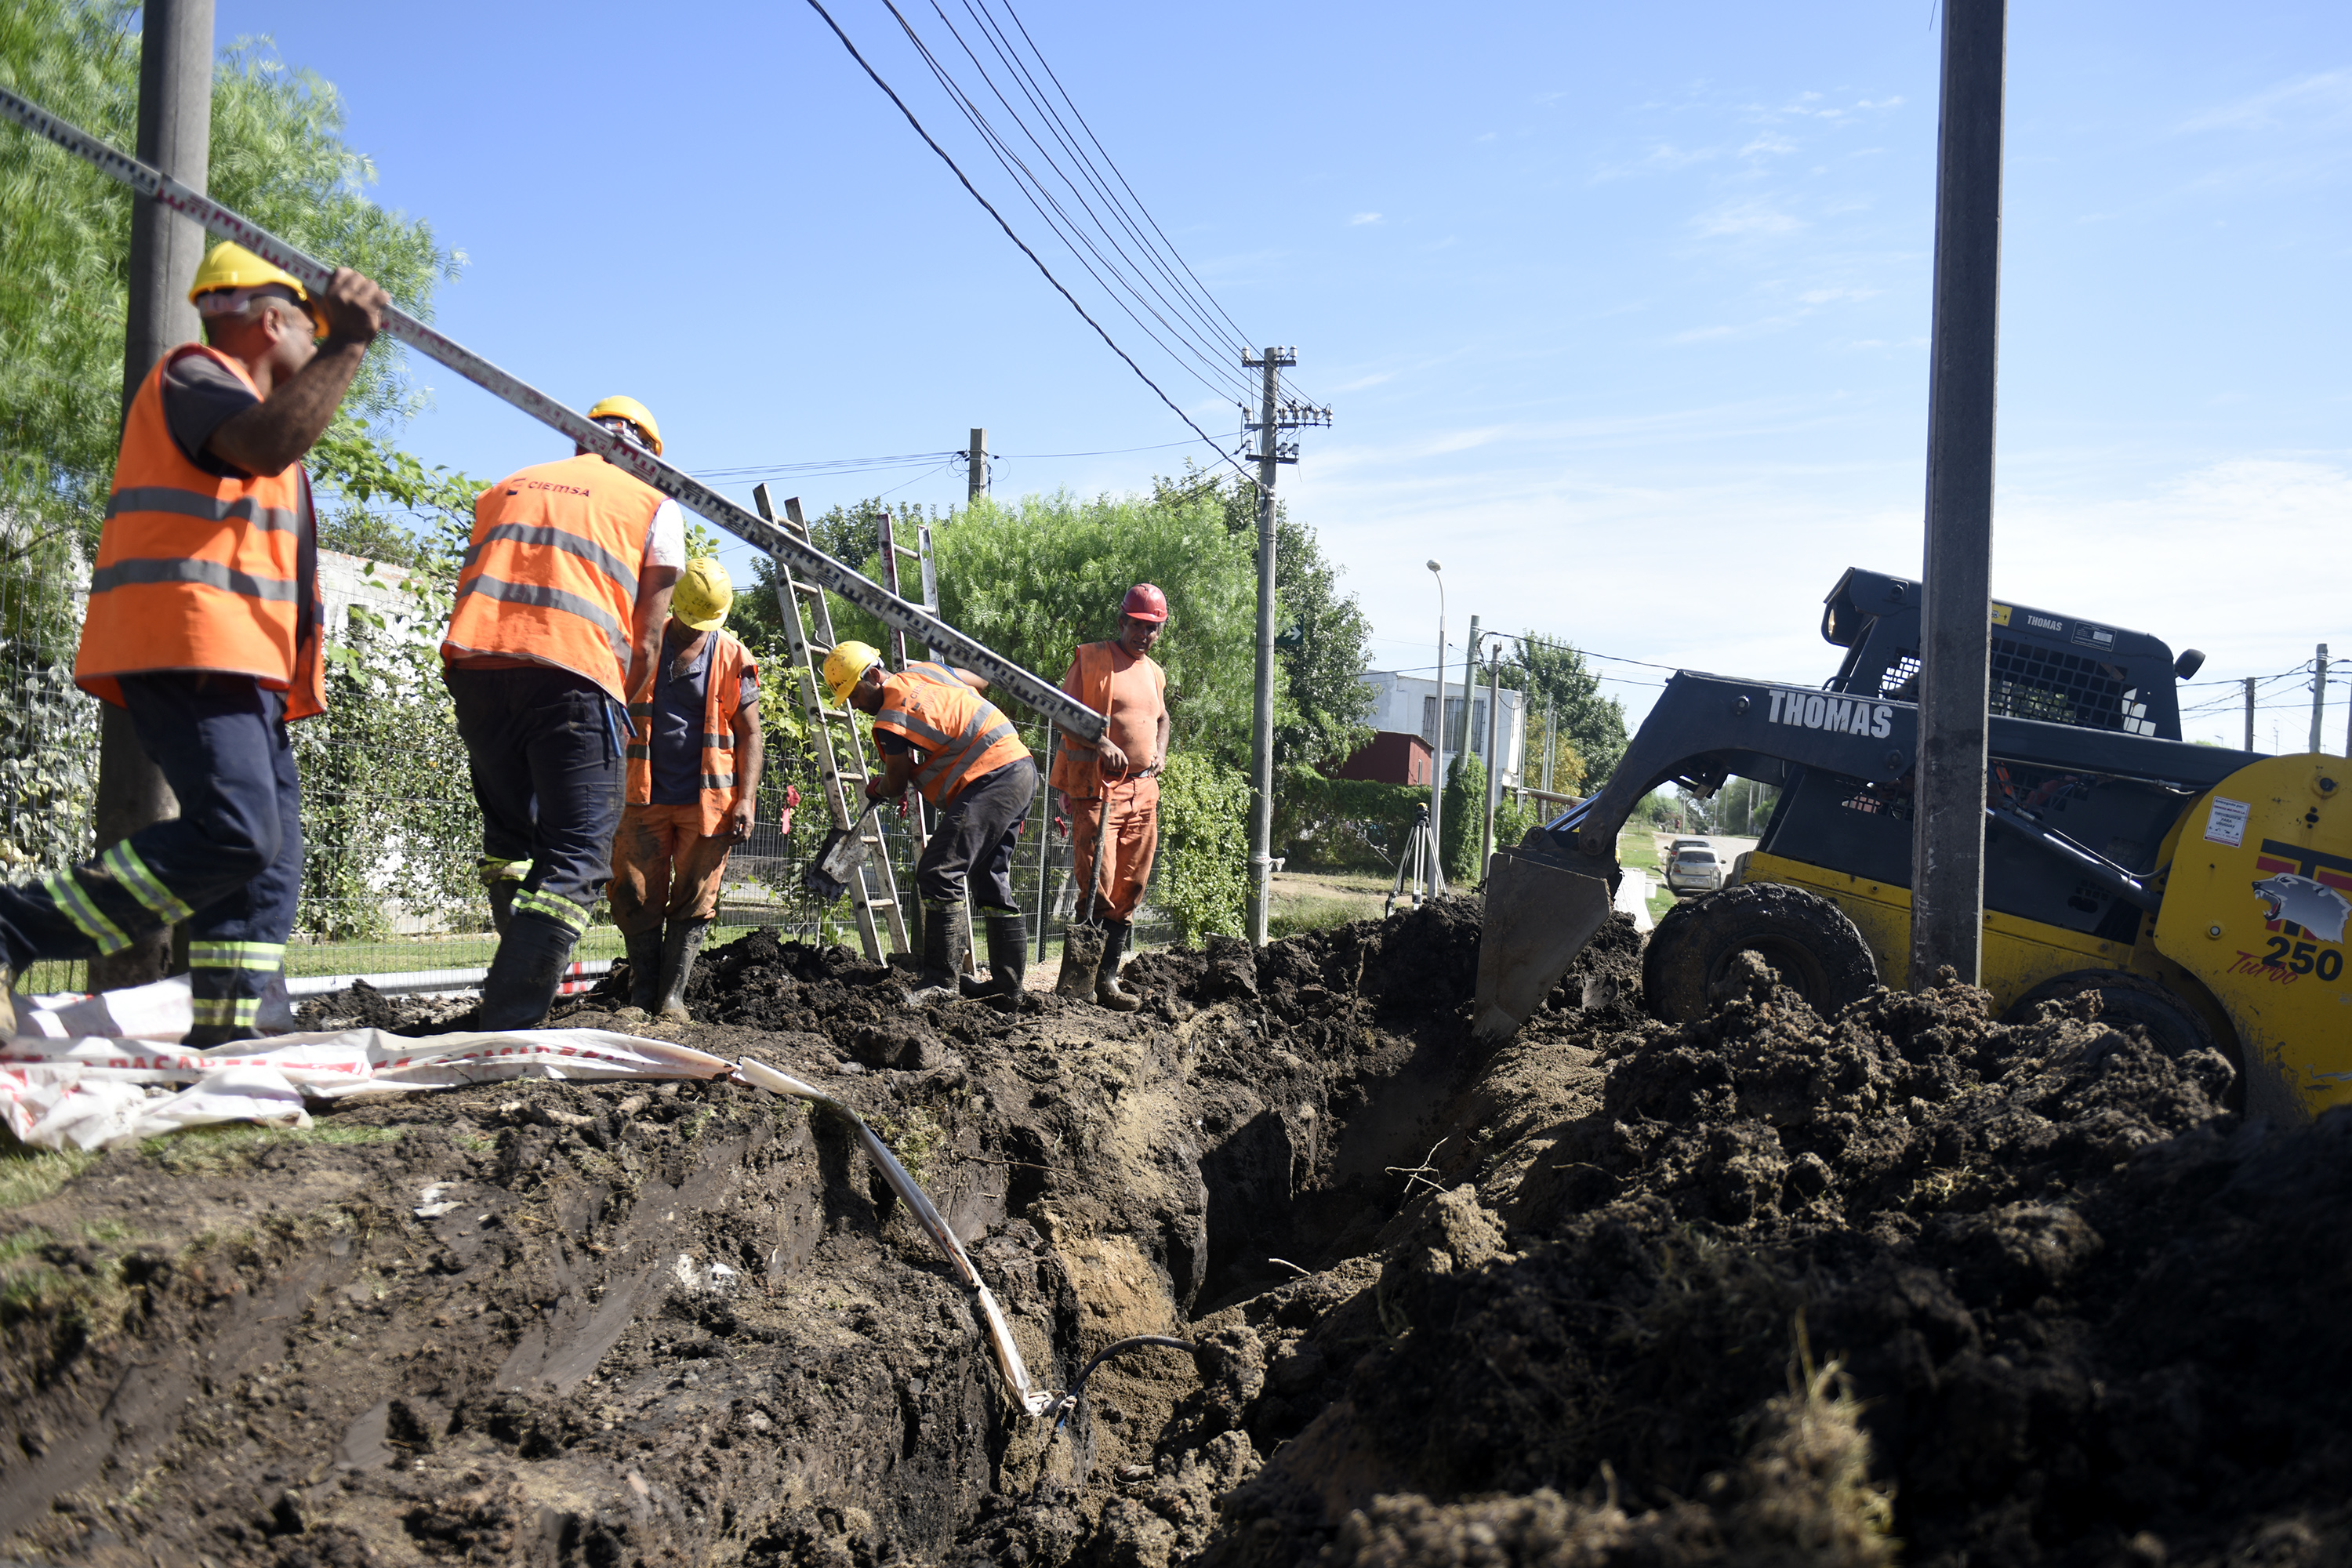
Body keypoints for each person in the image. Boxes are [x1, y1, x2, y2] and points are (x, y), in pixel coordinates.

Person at [0, 242, 387, 1044]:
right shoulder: (197, 375)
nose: (309, 350)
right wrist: (347, 342)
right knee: (239, 832)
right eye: (305, 334)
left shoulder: (248, 401)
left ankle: (233, 1031)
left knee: (268, 856)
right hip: (188, 643)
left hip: (240, 665)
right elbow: (264, 444)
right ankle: (16, 925)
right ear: (272, 319)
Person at [441, 395, 682, 1028]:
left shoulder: (507, 488)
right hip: (574, 676)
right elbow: (649, 638)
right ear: (647, 456)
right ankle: (510, 1014)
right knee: (578, 854)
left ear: (579, 440)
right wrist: (619, 706)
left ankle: (511, 981)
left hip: (476, 670)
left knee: (512, 840)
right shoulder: (652, 503)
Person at [824, 641, 1035, 1004]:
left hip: (990, 778)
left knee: (938, 871)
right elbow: (980, 682)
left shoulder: (891, 719)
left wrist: (877, 787)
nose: (855, 706)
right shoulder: (928, 671)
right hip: (1020, 768)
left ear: (874, 675)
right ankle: (1007, 987)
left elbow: (895, 783)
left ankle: (941, 980)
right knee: (989, 878)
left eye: (855, 694)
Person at [610, 557, 760, 1023]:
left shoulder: (735, 657)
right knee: (633, 893)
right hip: (639, 796)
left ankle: (672, 998)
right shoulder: (642, 644)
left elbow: (751, 733)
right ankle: (642, 992)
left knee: (697, 895)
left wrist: (747, 798)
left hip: (708, 803)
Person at [1049, 583, 1171, 1011]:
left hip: (1144, 790)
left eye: (1152, 628)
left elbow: (1162, 718)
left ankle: (1108, 980)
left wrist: (1160, 750)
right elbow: (1062, 712)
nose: (1144, 635)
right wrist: (1100, 743)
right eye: (1137, 626)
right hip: (1100, 789)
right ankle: (1079, 986)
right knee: (1097, 882)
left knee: (1130, 886)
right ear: (1122, 622)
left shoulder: (1154, 672)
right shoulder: (1093, 659)